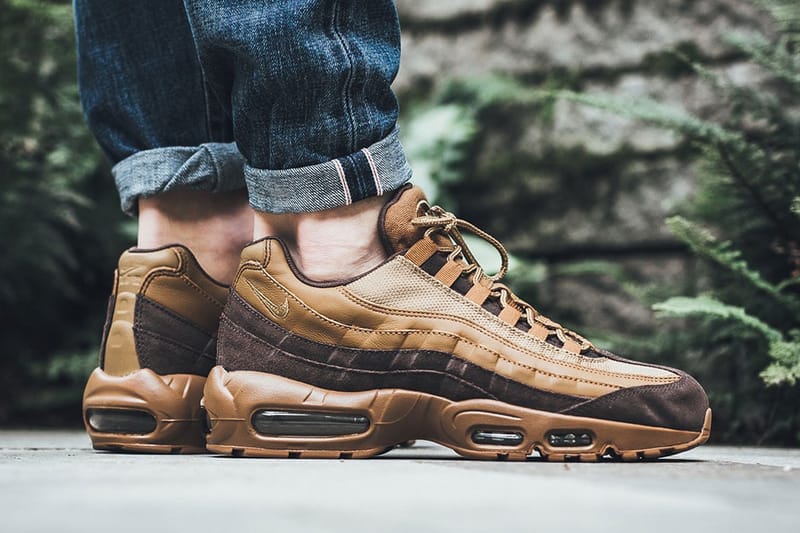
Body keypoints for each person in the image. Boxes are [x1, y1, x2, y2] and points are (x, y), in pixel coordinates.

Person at [77, 0, 711, 460]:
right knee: (334, 214)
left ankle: (187, 266)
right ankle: (339, 251)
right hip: (332, 268)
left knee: (200, 211)